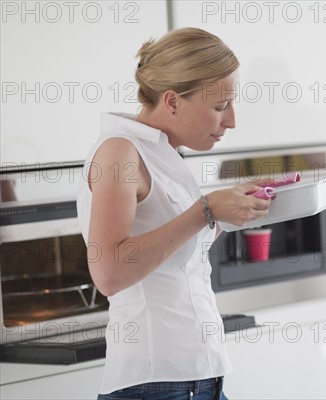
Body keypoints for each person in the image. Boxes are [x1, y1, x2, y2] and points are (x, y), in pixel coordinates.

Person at [77, 27, 271, 400]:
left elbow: (173, 254)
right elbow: (110, 271)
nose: (231, 120)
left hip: (201, 378)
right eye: (219, 106)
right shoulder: (120, 152)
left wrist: (231, 211)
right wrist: (205, 211)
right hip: (155, 384)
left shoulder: (161, 153)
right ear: (172, 101)